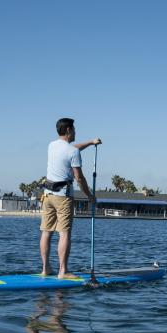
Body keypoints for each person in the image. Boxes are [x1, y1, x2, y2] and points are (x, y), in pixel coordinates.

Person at [40, 118, 100, 278]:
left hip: (47, 195)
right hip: (63, 197)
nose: (75, 132)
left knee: (46, 232)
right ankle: (63, 271)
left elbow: (72, 148)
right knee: (64, 233)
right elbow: (79, 178)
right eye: (74, 129)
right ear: (68, 130)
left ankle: (45, 269)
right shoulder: (72, 152)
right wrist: (89, 196)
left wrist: (91, 142)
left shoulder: (52, 145)